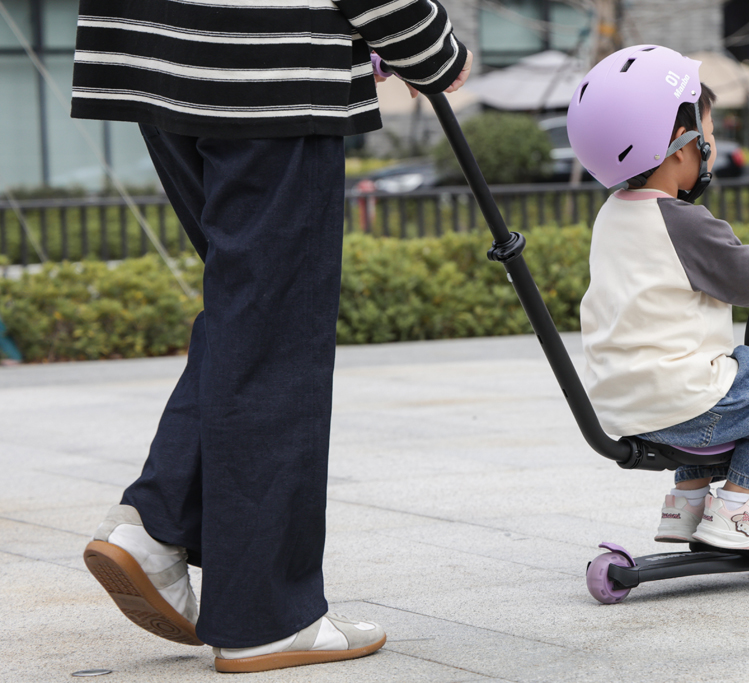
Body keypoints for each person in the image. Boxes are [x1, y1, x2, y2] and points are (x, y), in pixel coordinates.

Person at [70, 0, 471, 673]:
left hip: (150, 41)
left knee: (248, 305)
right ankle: (265, 616)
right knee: (277, 321)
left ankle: (157, 522)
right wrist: (426, 42)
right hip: (262, 56)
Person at [566, 45, 749, 553]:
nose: (712, 146)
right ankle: (739, 512)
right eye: (709, 136)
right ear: (681, 148)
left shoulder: (613, 215)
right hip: (682, 401)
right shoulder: (682, 221)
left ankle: (686, 505)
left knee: (731, 370)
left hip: (621, 401)